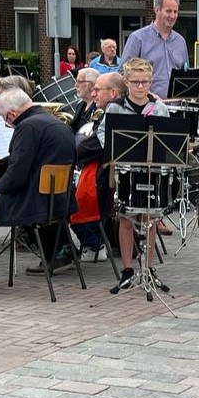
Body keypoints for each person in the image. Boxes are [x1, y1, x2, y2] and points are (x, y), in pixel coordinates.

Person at [0, 89, 78, 285]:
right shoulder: (59, 124)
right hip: (58, 202)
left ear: (11, 114)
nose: (8, 125)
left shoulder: (27, 127)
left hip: (32, 204)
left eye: (5, 120)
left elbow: (16, 176)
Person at [108, 58, 173, 292]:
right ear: (126, 81)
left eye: (145, 82)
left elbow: (169, 141)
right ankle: (127, 269)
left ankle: (148, 267)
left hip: (152, 170)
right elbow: (105, 138)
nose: (141, 86)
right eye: (135, 82)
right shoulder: (115, 108)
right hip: (127, 170)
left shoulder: (160, 108)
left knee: (150, 219)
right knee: (126, 218)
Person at [71, 72, 122, 264]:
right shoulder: (103, 111)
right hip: (96, 173)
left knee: (58, 198)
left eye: (97, 90)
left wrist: (70, 147)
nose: (93, 95)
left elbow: (86, 148)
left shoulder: (114, 115)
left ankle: (93, 243)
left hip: (103, 180)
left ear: (113, 93)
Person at [122, 0, 189, 97]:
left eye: (175, 12)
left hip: (177, 107)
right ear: (156, 10)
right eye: (168, 11)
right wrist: (149, 95)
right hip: (147, 107)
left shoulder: (180, 41)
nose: (172, 16)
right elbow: (123, 74)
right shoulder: (137, 38)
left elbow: (186, 75)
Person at [68, 68, 99, 133]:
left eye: (79, 82)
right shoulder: (80, 104)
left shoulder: (99, 106)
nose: (76, 85)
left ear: (91, 85)